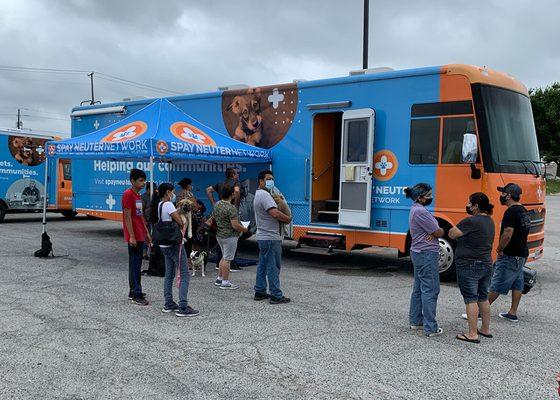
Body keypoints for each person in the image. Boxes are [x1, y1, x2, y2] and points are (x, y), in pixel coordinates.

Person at [449, 193, 495, 344]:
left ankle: (472, 333)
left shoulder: (471, 221)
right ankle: (485, 329)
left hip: (469, 264)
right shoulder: (490, 220)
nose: (467, 205)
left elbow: (452, 233)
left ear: (475, 206)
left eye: (469, 203)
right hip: (486, 263)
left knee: (470, 299)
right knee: (483, 297)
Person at [150, 182, 199, 317]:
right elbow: (181, 222)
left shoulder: (159, 205)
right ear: (167, 192)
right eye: (172, 191)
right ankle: (183, 306)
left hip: (163, 244)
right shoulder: (168, 205)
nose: (174, 194)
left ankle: (169, 303)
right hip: (174, 244)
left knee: (169, 274)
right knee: (184, 274)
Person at [405, 183, 444, 337]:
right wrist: (435, 232)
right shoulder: (422, 212)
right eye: (428, 196)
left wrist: (433, 232)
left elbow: (434, 231)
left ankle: (416, 321)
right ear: (420, 198)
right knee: (431, 289)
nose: (431, 198)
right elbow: (439, 231)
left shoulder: (415, 209)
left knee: (419, 288)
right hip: (427, 254)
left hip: (418, 252)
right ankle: (431, 327)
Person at [487, 183, 531, 323]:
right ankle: (512, 313)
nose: (502, 196)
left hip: (511, 254)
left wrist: (500, 249)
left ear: (509, 195)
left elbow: (507, 233)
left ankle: (480, 310)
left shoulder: (511, 212)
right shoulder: (524, 210)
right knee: (518, 283)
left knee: (497, 283)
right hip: (522, 253)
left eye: (503, 193)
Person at [253, 170, 292, 304]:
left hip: (264, 236)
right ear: (261, 181)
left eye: (272, 179)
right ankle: (276, 295)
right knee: (273, 266)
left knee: (263, 265)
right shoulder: (265, 195)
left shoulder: (260, 194)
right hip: (271, 236)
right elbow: (274, 213)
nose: (271, 181)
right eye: (268, 179)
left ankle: (260, 291)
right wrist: (287, 219)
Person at [122, 169, 151, 306]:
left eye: (144, 180)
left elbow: (140, 216)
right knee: (134, 264)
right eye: (140, 180)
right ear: (132, 181)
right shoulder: (128, 194)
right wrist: (131, 236)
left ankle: (134, 290)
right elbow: (127, 216)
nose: (143, 183)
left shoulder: (138, 196)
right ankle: (135, 293)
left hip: (140, 234)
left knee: (137, 264)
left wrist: (146, 233)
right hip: (134, 235)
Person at [206, 168, 244, 271]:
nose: (238, 175)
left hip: (220, 209)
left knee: (221, 234)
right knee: (233, 235)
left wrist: (213, 202)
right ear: (233, 175)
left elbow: (208, 190)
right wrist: (235, 204)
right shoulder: (236, 183)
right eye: (236, 173)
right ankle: (231, 264)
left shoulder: (220, 183)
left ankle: (219, 263)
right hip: (230, 210)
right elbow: (236, 191)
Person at [212, 184, 248, 290]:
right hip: (230, 236)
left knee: (224, 257)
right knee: (227, 259)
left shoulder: (217, 204)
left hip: (219, 234)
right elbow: (235, 225)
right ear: (232, 195)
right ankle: (225, 282)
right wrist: (244, 229)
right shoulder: (231, 208)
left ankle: (219, 278)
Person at [177, 178, 205, 251]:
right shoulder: (189, 194)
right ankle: (188, 260)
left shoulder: (178, 194)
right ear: (188, 185)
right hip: (189, 220)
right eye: (190, 185)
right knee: (189, 241)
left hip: (179, 219)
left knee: (182, 239)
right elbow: (195, 207)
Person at [141, 182, 154, 260]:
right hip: (146, 220)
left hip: (152, 220)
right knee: (146, 237)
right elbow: (140, 211)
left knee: (151, 237)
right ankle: (144, 253)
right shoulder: (143, 197)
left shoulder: (154, 196)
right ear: (149, 189)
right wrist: (144, 220)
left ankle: (150, 253)